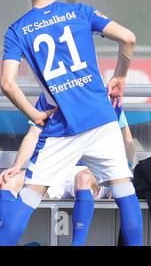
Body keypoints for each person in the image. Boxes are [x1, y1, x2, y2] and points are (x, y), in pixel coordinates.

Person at [0, 0, 142, 245]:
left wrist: (33, 113)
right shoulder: (80, 12)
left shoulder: (17, 30)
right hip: (100, 119)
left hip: (62, 127)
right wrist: (120, 76)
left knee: (28, 196)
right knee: (124, 190)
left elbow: (6, 83)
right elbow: (128, 38)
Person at [0, 94, 136, 246]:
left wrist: (122, 175)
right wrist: (17, 166)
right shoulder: (48, 95)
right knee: (8, 181)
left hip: (89, 171)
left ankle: (77, 243)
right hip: (54, 170)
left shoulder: (101, 94)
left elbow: (127, 140)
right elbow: (33, 135)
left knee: (82, 179)